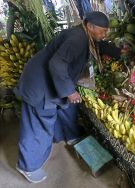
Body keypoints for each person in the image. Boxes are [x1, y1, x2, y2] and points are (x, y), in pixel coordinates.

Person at [13, 11, 119, 183]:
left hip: (53, 81)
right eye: (103, 31)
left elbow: (99, 45)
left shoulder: (85, 34)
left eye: (106, 31)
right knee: (38, 124)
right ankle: (28, 166)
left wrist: (119, 51)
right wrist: (69, 91)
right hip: (40, 84)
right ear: (90, 26)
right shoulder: (77, 39)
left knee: (68, 108)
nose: (105, 34)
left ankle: (67, 135)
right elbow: (56, 64)